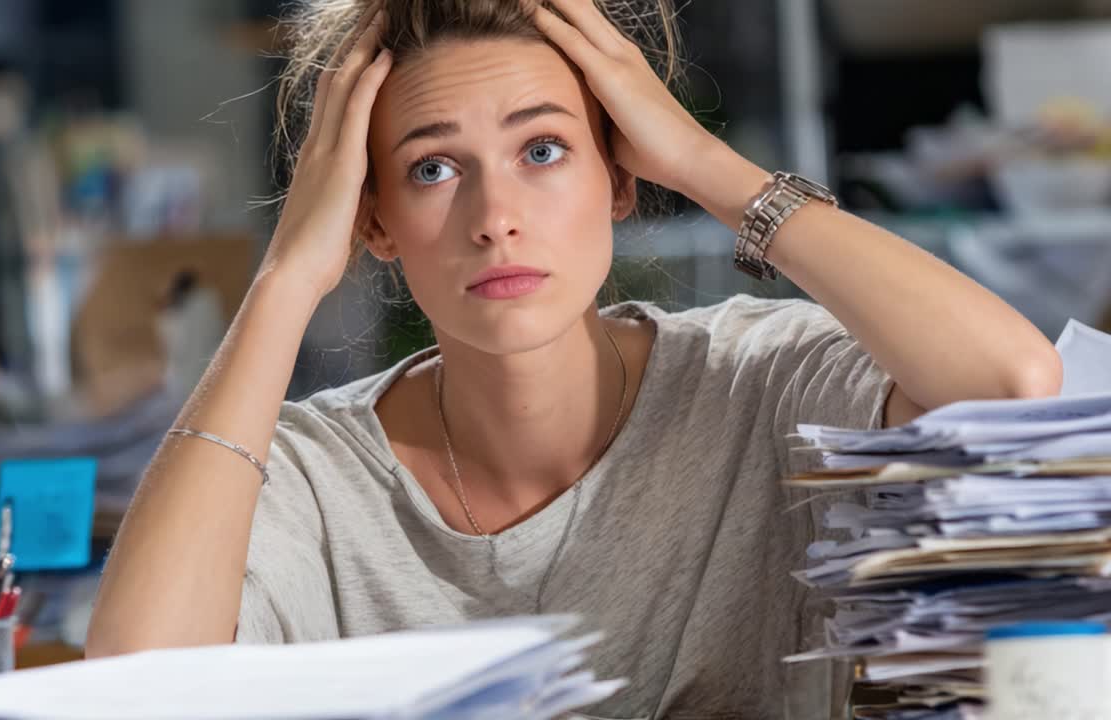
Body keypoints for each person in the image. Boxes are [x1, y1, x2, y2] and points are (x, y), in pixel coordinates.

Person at [86, 0, 1063, 717]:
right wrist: (288, 277)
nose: (494, 217)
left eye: (543, 150)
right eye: (432, 169)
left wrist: (701, 164)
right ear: (371, 219)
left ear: (619, 176)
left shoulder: (759, 381)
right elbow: (137, 679)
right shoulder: (310, 478)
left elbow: (1009, 384)